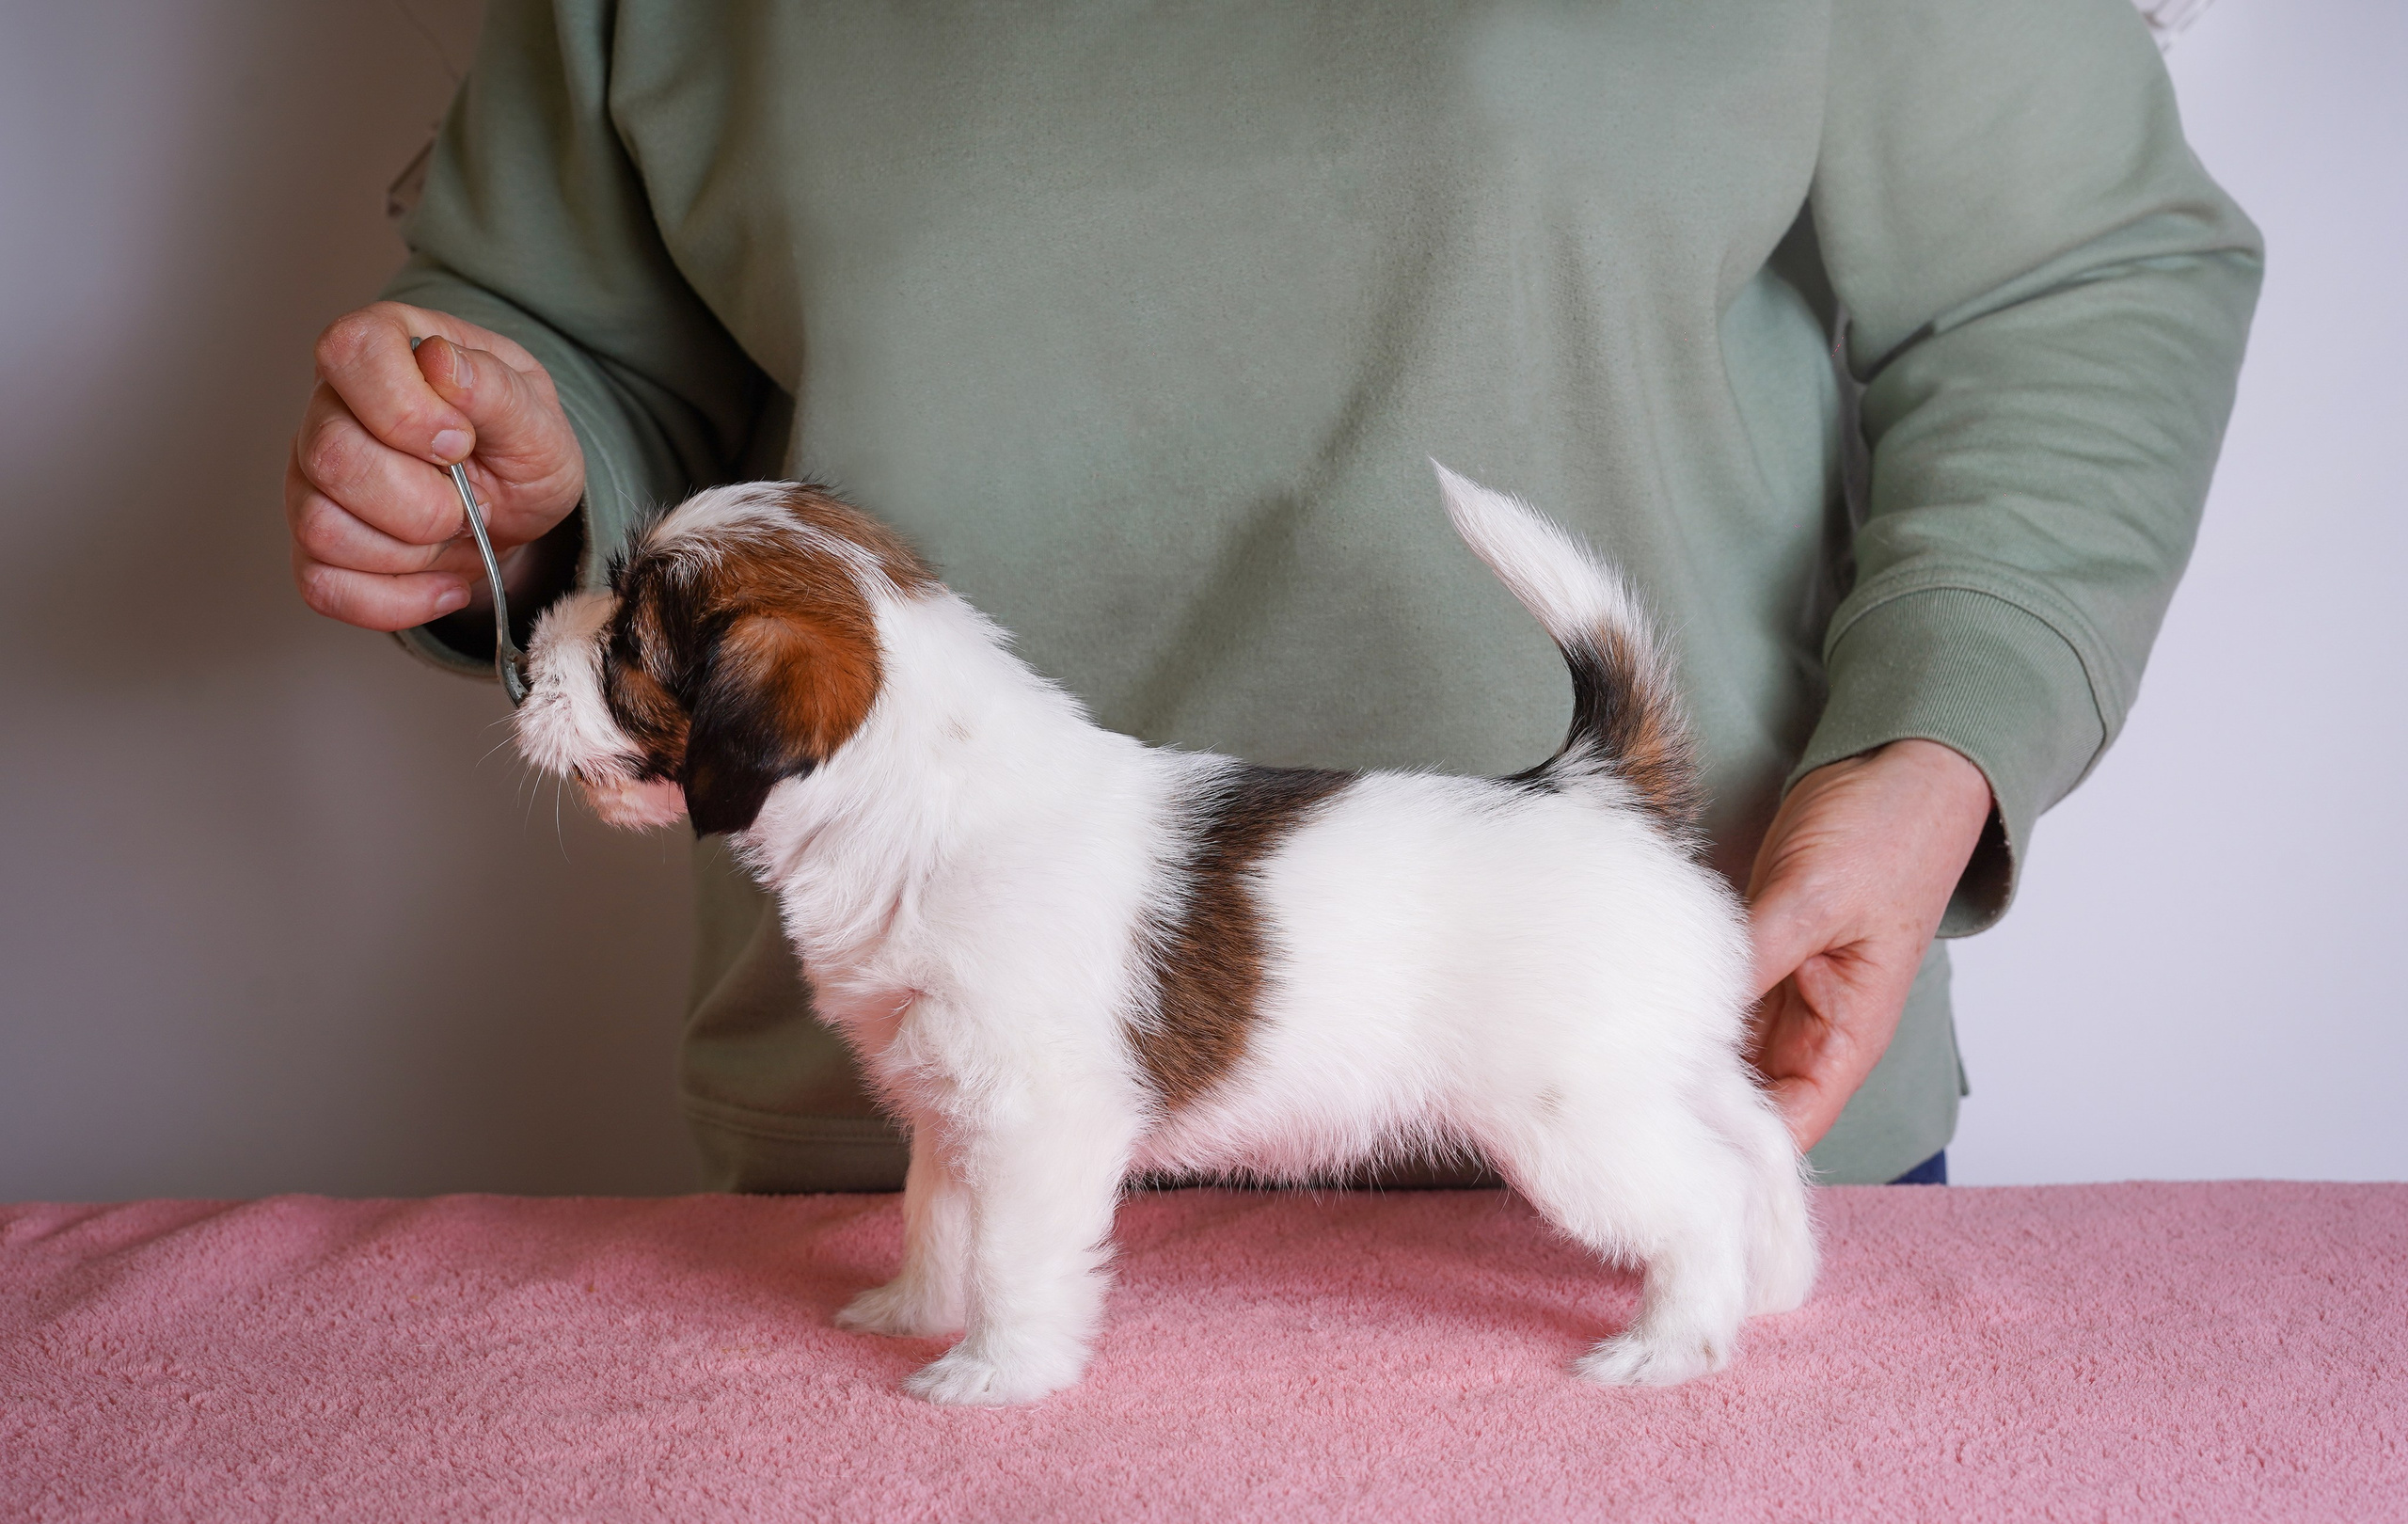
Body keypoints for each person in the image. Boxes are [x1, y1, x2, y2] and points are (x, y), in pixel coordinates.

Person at [283, 0, 2258, 1190]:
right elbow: (569, 354)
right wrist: (500, 472)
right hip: (924, 1106)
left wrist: (1942, 739)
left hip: (1663, 1006)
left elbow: (2066, 281)